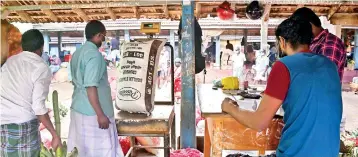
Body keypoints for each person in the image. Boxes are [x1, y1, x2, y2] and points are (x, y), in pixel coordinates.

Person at [221, 18, 342, 156]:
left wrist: (230, 107)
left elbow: (258, 123)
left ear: (282, 41)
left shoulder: (283, 65)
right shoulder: (329, 65)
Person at [1, 29, 62, 156]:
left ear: (22, 45)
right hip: (23, 125)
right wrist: (55, 135)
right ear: (41, 47)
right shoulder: (41, 67)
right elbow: (38, 108)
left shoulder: (9, 62)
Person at [68, 20, 123, 157]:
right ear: (99, 35)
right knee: (99, 151)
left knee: (81, 151)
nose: (104, 40)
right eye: (103, 36)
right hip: (93, 114)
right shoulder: (94, 55)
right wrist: (100, 114)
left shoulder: (77, 53)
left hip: (78, 108)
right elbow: (90, 85)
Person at [291, 7, 346, 81]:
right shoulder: (313, 42)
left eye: (299, 30)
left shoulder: (329, 44)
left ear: (308, 25)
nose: (299, 33)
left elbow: (324, 80)